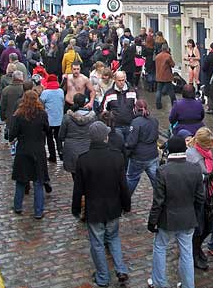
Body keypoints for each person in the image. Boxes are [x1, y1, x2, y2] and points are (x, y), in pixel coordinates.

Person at [74, 121, 131, 287]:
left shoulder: (83, 160)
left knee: (97, 243)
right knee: (113, 238)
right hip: (113, 206)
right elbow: (123, 185)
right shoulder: (116, 157)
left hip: (94, 208)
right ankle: (121, 269)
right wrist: (126, 205)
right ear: (105, 138)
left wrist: (76, 208)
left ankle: (103, 277)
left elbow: (78, 189)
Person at [147, 135, 205, 288]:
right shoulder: (195, 169)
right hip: (188, 217)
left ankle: (159, 282)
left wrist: (152, 221)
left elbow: (158, 201)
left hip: (167, 219)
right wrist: (195, 214)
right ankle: (188, 285)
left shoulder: (162, 171)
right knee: (186, 253)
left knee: (160, 248)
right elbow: (200, 197)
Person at [9, 91, 49, 219]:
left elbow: (12, 135)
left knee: (21, 180)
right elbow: (47, 130)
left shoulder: (19, 115)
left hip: (23, 150)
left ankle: (18, 206)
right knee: (38, 182)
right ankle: (38, 211)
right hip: (38, 151)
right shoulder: (42, 114)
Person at [58, 93, 97, 217]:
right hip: (88, 151)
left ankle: (80, 204)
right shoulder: (92, 117)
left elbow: (61, 136)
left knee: (77, 180)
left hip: (72, 152)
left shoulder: (67, 117)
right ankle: (87, 202)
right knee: (88, 180)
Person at [185, 127, 213, 271]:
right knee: (200, 228)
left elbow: (208, 170)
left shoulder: (205, 152)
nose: (210, 147)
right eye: (208, 144)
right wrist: (208, 176)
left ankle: (197, 249)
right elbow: (192, 177)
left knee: (212, 225)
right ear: (200, 142)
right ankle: (194, 253)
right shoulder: (192, 155)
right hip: (197, 198)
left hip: (208, 194)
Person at [126, 99, 159, 196]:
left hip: (138, 157)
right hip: (152, 154)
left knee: (132, 179)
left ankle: (125, 200)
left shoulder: (136, 122)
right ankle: (161, 201)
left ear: (135, 108)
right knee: (156, 181)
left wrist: (126, 148)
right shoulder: (154, 120)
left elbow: (132, 142)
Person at [102, 71, 137, 142]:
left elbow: (137, 108)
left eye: (123, 80)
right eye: (119, 80)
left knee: (129, 146)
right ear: (115, 80)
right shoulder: (109, 94)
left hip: (129, 125)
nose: (121, 82)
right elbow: (103, 110)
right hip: (116, 126)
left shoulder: (133, 92)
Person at [40, 74, 65, 162]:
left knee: (49, 138)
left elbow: (41, 105)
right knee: (58, 137)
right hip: (59, 119)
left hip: (49, 120)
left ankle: (52, 156)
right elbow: (63, 103)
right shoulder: (61, 91)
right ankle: (61, 152)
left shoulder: (45, 93)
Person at [0, 70, 25, 141]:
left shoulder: (6, 90)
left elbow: (2, 106)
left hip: (10, 119)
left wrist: (3, 117)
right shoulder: (24, 89)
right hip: (23, 119)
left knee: (11, 139)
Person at [200, 42, 213, 113]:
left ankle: (210, 107)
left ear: (211, 48)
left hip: (209, 77)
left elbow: (204, 68)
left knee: (209, 93)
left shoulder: (208, 57)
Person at [154, 44, 176, 110]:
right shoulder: (168, 56)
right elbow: (173, 64)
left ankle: (158, 105)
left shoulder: (157, 56)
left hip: (159, 76)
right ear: (167, 49)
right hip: (166, 77)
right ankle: (174, 104)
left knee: (158, 91)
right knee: (171, 91)